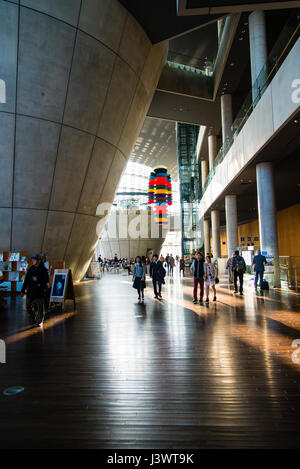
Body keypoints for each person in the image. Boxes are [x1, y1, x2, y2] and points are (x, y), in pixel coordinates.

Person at [21, 254, 49, 326]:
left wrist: (38, 279)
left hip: (39, 292)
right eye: (32, 259)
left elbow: (46, 280)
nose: (33, 261)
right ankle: (33, 316)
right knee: (28, 306)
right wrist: (23, 290)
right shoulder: (30, 269)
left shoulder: (44, 270)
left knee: (40, 308)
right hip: (31, 291)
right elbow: (26, 281)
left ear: (39, 261)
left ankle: (39, 321)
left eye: (34, 259)